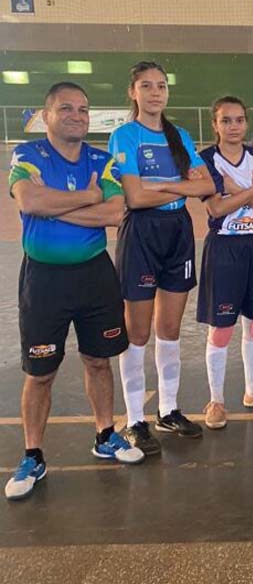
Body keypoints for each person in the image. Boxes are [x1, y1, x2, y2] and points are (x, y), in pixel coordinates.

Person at [6, 82, 143, 501]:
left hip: (94, 276)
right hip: (44, 279)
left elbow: (115, 211)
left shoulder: (101, 160)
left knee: (98, 361)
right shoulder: (27, 156)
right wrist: (85, 198)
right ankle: (33, 455)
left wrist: (62, 205)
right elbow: (30, 202)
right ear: (46, 116)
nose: (77, 116)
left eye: (83, 110)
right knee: (40, 372)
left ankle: (105, 435)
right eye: (66, 108)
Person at [111, 61, 215, 455]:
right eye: (146, 86)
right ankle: (135, 417)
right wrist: (182, 187)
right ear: (133, 92)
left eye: (161, 86)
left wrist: (167, 185)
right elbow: (134, 197)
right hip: (141, 234)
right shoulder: (125, 136)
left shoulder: (180, 136)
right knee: (136, 333)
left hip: (177, 234)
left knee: (169, 328)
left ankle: (168, 409)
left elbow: (205, 184)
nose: (155, 92)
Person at [198, 96, 253, 429]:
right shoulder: (206, 160)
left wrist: (236, 191)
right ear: (215, 125)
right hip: (225, 249)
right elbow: (216, 209)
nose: (233, 126)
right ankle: (216, 400)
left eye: (238, 120)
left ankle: (252, 392)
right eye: (225, 120)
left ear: (246, 123)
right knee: (222, 328)